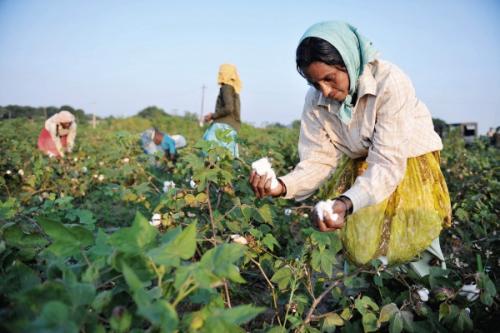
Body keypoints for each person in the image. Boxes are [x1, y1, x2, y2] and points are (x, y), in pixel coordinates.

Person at [249, 21, 452, 276]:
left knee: (414, 241)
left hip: (407, 163)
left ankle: (429, 301)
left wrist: (346, 202)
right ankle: (372, 306)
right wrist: (280, 186)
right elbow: (317, 160)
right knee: (365, 246)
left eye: (329, 78)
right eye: (315, 83)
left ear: (348, 62)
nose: (325, 90)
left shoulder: (390, 82)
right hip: (365, 166)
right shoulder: (316, 100)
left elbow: (388, 163)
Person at [202, 64, 242, 157]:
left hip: (222, 126)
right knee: (228, 156)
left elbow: (229, 108)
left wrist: (212, 115)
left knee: (209, 153)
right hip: (232, 127)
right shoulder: (235, 90)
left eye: (221, 72)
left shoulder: (226, 88)